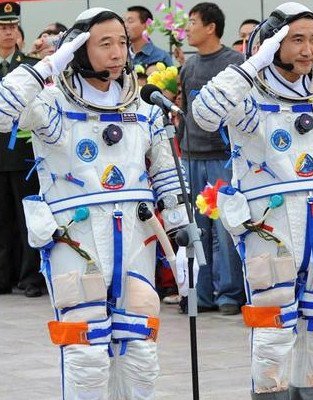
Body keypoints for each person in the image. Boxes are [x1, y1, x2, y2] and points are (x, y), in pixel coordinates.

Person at [0, 7, 187, 398]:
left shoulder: (143, 109)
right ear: (79, 50)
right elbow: (3, 111)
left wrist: (181, 233)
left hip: (136, 240)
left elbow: (167, 174)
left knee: (140, 352)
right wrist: (50, 64)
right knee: (86, 354)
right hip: (76, 242)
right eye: (104, 44)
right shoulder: (53, 107)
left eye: (121, 42)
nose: (117, 53)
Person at [192, 2, 313, 398]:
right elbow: (203, 114)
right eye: (296, 40)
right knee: (273, 334)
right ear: (272, 43)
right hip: (268, 230)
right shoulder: (247, 98)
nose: (308, 50)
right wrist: (253, 64)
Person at [179, 2, 246, 315]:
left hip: (222, 157)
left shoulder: (234, 62)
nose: (188, 28)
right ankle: (201, 294)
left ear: (211, 27)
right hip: (192, 156)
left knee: (225, 227)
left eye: (193, 22)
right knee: (197, 228)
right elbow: (184, 111)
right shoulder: (189, 66)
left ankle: (230, 294)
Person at [0, 1, 43, 297]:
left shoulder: (28, 66)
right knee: (2, 219)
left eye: (12, 27)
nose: (8, 32)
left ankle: (30, 278)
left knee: (28, 217)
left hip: (22, 152)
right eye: (3, 27)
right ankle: (3, 276)